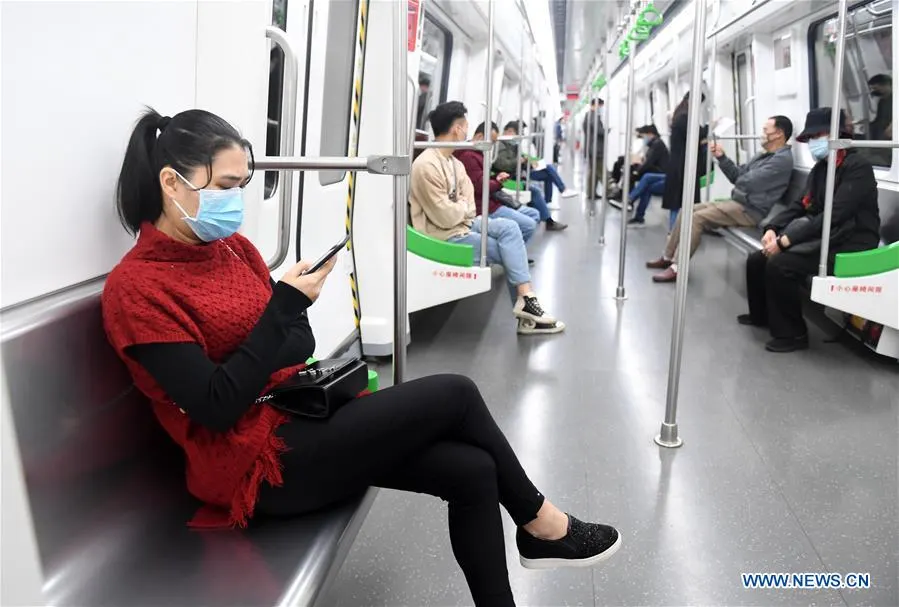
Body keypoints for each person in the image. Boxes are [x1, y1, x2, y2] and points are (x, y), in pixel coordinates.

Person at [102, 108, 619, 607]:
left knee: (473, 470)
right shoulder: (138, 289)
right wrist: (281, 309)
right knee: (457, 393)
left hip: (297, 412)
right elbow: (217, 406)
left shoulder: (236, 250)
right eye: (224, 186)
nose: (235, 199)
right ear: (173, 183)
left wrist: (275, 326)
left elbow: (299, 342)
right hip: (248, 462)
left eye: (241, 185)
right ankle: (543, 525)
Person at [411, 102, 566, 335]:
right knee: (507, 250)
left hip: (462, 225)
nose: (467, 131)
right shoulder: (426, 166)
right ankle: (528, 312)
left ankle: (526, 303)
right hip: (443, 234)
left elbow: (470, 204)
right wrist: (462, 207)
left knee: (510, 227)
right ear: (457, 129)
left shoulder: (454, 163)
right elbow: (445, 216)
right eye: (465, 126)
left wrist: (461, 208)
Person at [739, 108, 880, 352]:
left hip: (852, 241)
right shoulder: (821, 169)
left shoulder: (858, 168)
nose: (814, 142)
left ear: (836, 135)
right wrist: (772, 228)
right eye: (811, 138)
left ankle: (793, 334)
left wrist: (786, 241)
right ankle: (761, 316)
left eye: (818, 136)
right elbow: (800, 205)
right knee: (756, 259)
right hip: (827, 234)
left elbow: (835, 215)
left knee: (781, 264)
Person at [648, 116, 795, 282]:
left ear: (778, 134)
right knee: (686, 210)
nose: (762, 134)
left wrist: (741, 178)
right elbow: (738, 176)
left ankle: (677, 267)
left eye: (765, 130)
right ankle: (667, 257)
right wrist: (722, 157)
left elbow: (748, 182)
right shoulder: (764, 155)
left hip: (749, 211)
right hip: (738, 203)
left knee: (696, 218)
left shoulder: (781, 160)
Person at [460, 121, 567, 232]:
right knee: (535, 192)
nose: (492, 145)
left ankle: (553, 199)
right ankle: (549, 217)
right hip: (507, 181)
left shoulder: (508, 146)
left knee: (548, 171)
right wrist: (516, 164)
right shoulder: (489, 150)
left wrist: (527, 161)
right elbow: (501, 165)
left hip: (507, 180)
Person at [494, 121, 578, 206]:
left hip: (522, 169)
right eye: (519, 133)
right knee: (548, 170)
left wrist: (528, 161)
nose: (521, 136)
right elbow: (503, 164)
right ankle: (562, 190)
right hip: (516, 174)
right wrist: (520, 160)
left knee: (548, 172)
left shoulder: (513, 145)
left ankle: (550, 200)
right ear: (509, 131)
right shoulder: (500, 145)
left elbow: (520, 156)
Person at [661, 92, 709, 233]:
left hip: (679, 163)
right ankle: (675, 232)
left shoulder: (680, 115)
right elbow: (698, 133)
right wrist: (709, 126)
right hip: (683, 166)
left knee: (678, 202)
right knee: (680, 201)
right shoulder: (684, 117)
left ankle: (675, 231)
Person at [627, 125, 671, 226]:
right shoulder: (654, 144)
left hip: (665, 175)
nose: (643, 139)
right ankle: (639, 216)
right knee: (647, 188)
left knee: (646, 177)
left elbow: (649, 162)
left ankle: (630, 199)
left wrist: (637, 172)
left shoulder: (657, 144)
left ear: (650, 134)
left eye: (643, 136)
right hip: (661, 173)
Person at [583, 98, 605, 199]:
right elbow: (599, 131)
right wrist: (606, 131)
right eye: (601, 106)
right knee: (601, 171)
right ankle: (610, 191)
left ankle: (591, 193)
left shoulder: (588, 115)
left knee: (593, 172)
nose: (601, 108)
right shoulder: (593, 116)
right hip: (595, 148)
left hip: (592, 147)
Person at [868, 74, 892, 141]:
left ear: (886, 85)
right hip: (881, 131)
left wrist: (892, 127)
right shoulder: (881, 101)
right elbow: (878, 118)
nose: (873, 91)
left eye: (875, 88)